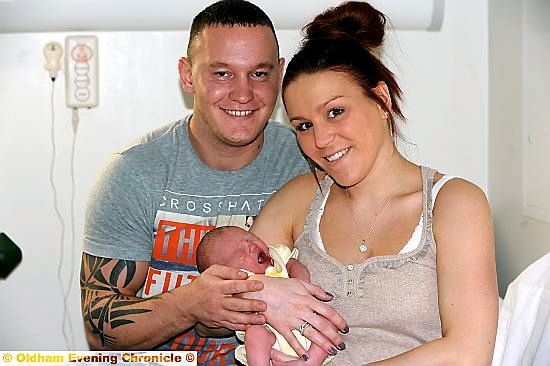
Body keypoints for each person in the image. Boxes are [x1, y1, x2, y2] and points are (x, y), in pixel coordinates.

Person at [79, 1, 348, 365]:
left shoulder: (312, 159)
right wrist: (192, 305)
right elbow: (99, 331)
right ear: (187, 76)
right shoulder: (135, 173)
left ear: (280, 74)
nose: (243, 94)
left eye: (259, 74)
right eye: (222, 73)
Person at [249, 1, 500, 365]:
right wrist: (262, 294)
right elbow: (230, 284)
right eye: (304, 126)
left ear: (381, 99)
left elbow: (469, 352)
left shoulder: (454, 203)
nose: (320, 140)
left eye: (335, 112)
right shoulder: (300, 199)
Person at [196, 226, 331, 366]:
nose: (251, 247)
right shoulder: (235, 292)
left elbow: (295, 265)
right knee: (255, 334)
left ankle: (311, 362)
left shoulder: (277, 257)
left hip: (307, 324)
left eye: (250, 239)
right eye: (240, 254)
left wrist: (301, 284)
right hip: (271, 338)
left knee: (325, 320)